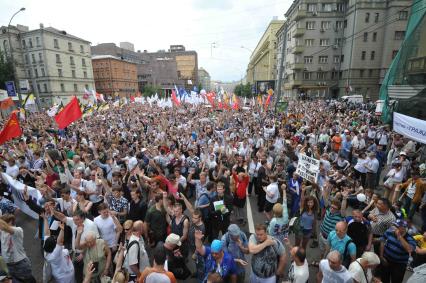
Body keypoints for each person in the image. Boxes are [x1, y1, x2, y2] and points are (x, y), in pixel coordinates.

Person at [0, 214, 36, 283]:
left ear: (10, 221)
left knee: (28, 280)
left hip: (20, 263)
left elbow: (6, 228)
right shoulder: (2, 232)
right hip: (9, 264)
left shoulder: (18, 230)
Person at [380, 219, 417, 283]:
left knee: (396, 281)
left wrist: (399, 236)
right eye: (394, 225)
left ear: (403, 228)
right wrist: (381, 256)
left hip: (399, 265)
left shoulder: (410, 239)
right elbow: (382, 241)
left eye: (396, 226)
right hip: (386, 260)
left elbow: (409, 249)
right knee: (384, 279)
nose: (393, 227)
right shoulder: (389, 231)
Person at [42, 214, 75, 283]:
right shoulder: (54, 254)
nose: (55, 238)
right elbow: (59, 242)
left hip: (59, 274)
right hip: (65, 275)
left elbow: (47, 233)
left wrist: (45, 219)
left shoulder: (47, 246)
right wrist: (62, 230)